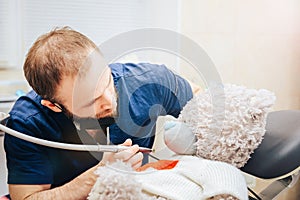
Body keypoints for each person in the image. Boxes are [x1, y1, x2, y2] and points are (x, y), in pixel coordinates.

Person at [4, 27, 200, 200]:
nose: (108, 102)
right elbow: (26, 197)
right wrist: (100, 174)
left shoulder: (148, 81)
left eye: (107, 82)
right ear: (53, 106)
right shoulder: (26, 123)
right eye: (90, 101)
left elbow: (201, 100)